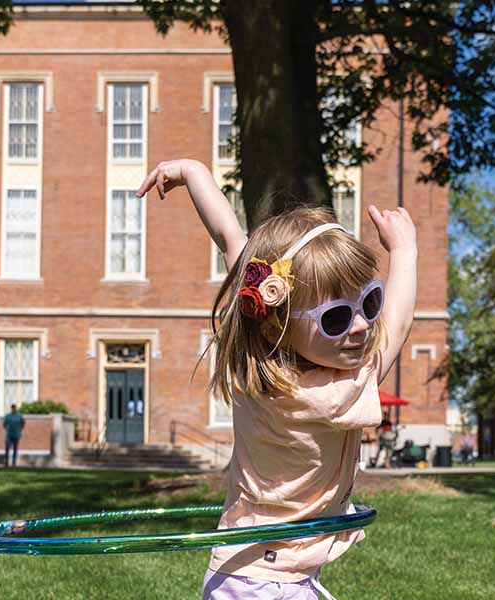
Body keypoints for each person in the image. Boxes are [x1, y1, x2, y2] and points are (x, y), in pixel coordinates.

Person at [137, 159, 416, 600]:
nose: (361, 326)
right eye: (336, 317)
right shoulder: (331, 395)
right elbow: (399, 325)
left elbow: (232, 239)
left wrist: (194, 174)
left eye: (368, 301)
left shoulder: (256, 359)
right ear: (278, 324)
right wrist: (404, 251)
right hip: (273, 583)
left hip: (237, 567)